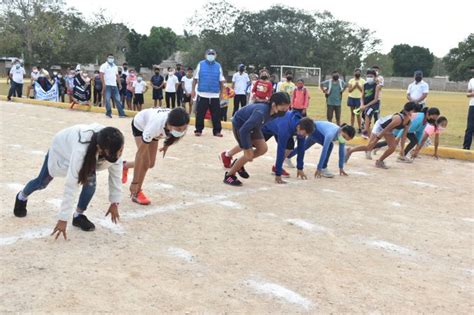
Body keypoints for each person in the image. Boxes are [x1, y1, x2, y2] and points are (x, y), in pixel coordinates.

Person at [13, 125, 124, 239]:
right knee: (42, 182)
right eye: (118, 151)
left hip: (89, 154)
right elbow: (71, 185)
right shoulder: (81, 151)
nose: (120, 154)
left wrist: (114, 202)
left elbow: (115, 175)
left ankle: (78, 216)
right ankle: (22, 196)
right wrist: (63, 218)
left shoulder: (114, 144)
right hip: (61, 151)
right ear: (100, 149)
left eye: (121, 150)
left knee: (90, 185)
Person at [221, 92, 291, 186]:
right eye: (283, 108)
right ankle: (229, 175)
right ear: (274, 105)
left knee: (263, 149)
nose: (285, 110)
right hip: (241, 126)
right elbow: (244, 130)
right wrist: (246, 148)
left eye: (287, 108)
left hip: (254, 127)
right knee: (248, 156)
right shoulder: (261, 112)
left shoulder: (275, 112)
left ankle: (239, 164)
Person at [122, 108, 190, 205]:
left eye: (184, 128)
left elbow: (175, 135)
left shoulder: (179, 122)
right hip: (140, 125)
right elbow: (140, 155)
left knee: (150, 164)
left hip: (155, 128)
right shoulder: (153, 127)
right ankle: (136, 193)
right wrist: (134, 183)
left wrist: (167, 144)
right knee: (145, 162)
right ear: (169, 125)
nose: (182, 131)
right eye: (179, 129)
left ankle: (125, 165)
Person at [346, 102, 417, 169]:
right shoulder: (398, 119)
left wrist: (402, 149)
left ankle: (379, 161)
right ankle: (350, 150)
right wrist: (376, 140)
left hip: (387, 130)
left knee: (392, 147)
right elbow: (385, 129)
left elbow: (404, 136)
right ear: (407, 111)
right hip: (380, 126)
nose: (415, 114)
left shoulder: (408, 122)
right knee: (369, 147)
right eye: (414, 112)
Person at [288, 122, 355, 178]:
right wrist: (319, 168)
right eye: (344, 137)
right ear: (341, 130)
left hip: (317, 130)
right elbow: (324, 151)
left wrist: (341, 167)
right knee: (329, 146)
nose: (344, 139)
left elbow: (341, 152)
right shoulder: (330, 134)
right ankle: (323, 168)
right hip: (313, 129)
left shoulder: (341, 135)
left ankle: (287, 156)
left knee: (303, 147)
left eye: (346, 139)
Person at [261, 112, 315, 183]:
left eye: (306, 134)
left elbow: (301, 148)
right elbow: (280, 150)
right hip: (268, 126)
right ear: (298, 127)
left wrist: (300, 168)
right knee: (253, 145)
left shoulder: (302, 127)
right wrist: (278, 175)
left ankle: (276, 168)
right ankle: (242, 161)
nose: (304, 136)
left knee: (289, 147)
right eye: (304, 133)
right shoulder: (285, 130)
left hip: (280, 126)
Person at [372, 107, 441, 162]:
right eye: (434, 117)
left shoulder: (426, 121)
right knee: (390, 142)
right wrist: (398, 137)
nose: (435, 119)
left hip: (409, 131)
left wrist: (418, 144)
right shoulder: (420, 118)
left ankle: (402, 156)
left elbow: (419, 132)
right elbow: (404, 127)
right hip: (399, 129)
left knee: (414, 140)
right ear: (428, 114)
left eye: (436, 118)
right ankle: (372, 147)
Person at [192, 48, 225, 137]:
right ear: (205, 55)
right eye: (209, 54)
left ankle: (217, 131)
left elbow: (221, 81)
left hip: (214, 95)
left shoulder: (218, 66)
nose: (211, 55)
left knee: (216, 114)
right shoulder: (200, 64)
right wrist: (192, 91)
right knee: (200, 113)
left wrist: (222, 93)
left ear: (215, 55)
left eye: (212, 54)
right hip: (202, 94)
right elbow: (195, 79)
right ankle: (198, 130)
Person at [99, 53, 127, 118]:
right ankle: (108, 114)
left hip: (114, 85)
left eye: (112, 57)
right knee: (107, 99)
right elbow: (101, 75)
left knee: (118, 99)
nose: (111, 59)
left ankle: (121, 114)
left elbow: (117, 76)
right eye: (109, 57)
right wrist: (103, 84)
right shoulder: (104, 66)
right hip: (107, 85)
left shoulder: (115, 66)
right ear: (107, 58)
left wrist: (119, 84)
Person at [359, 69, 381, 138]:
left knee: (367, 113)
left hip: (374, 105)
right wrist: (362, 104)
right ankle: (369, 136)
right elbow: (362, 96)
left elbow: (375, 99)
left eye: (371, 76)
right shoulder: (364, 85)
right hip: (365, 105)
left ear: (375, 77)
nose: (369, 78)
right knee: (365, 119)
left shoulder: (377, 86)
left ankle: (365, 130)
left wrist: (365, 106)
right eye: (368, 76)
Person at [347, 68, 365, 133]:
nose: (357, 73)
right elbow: (349, 90)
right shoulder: (351, 80)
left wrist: (358, 86)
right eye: (356, 72)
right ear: (354, 73)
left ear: (360, 73)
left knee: (357, 113)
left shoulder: (363, 81)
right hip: (351, 98)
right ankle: (351, 127)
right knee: (352, 113)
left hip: (359, 99)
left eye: (359, 72)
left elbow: (363, 91)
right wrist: (355, 86)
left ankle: (360, 128)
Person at [462, 66, 474, 150]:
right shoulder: (472, 81)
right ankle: (466, 146)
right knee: (470, 127)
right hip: (472, 105)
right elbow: (468, 94)